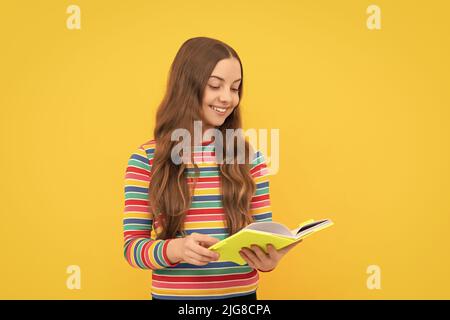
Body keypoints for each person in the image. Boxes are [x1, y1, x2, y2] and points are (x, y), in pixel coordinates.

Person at [123, 37, 299, 300]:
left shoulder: (251, 158)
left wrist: (268, 260)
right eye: (215, 85)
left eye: (235, 88)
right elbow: (132, 249)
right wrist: (177, 249)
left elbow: (263, 235)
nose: (227, 98)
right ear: (187, 86)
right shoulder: (147, 158)